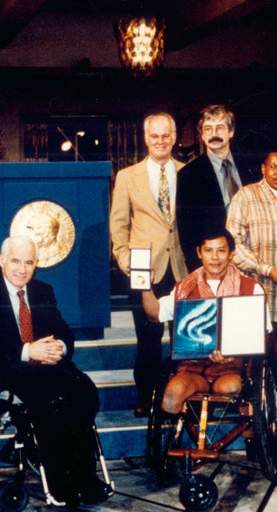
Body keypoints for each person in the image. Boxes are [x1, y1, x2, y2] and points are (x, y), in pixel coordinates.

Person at [0, 236, 112, 506]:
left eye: (29, 263)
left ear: (36, 265)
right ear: (1, 261)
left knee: (83, 391)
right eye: (15, 261)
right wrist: (27, 351)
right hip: (6, 371)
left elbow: (63, 331)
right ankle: (62, 483)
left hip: (46, 370)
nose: (22, 270)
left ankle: (86, 477)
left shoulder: (43, 291)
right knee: (51, 401)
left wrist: (59, 347)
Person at [109, 112, 188, 417]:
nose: (160, 141)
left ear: (174, 137)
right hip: (145, 271)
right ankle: (149, 398)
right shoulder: (127, 176)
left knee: (183, 339)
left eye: (166, 136)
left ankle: (182, 396)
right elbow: (118, 226)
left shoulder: (188, 172)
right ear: (145, 139)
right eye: (154, 136)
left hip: (182, 268)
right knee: (148, 341)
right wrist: (126, 261)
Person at [142, 229, 267, 415]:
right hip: (192, 368)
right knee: (171, 397)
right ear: (199, 252)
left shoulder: (252, 288)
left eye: (221, 250)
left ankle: (249, 434)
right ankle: (178, 435)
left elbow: (262, 335)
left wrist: (234, 353)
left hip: (233, 369)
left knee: (230, 388)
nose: (214, 257)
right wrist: (144, 285)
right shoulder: (183, 288)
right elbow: (155, 314)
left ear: (231, 254)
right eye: (208, 250)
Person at [226, 150, 277, 418]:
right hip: (255, 298)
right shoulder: (245, 197)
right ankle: (252, 430)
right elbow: (233, 244)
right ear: (263, 168)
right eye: (273, 166)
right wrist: (266, 269)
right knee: (251, 369)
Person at [176, 104, 260, 272]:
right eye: (208, 129)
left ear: (231, 131)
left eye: (220, 128)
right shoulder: (189, 174)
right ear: (202, 135)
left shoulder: (251, 166)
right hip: (214, 265)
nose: (214, 134)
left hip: (253, 261)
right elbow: (186, 231)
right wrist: (200, 272)